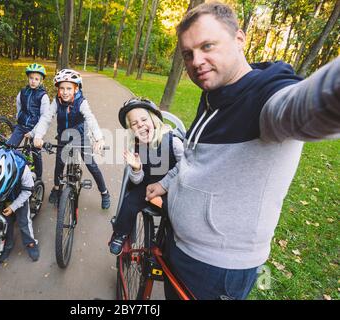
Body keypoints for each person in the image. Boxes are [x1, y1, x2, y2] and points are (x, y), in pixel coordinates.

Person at [145, 2, 340, 300]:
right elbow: (194, 159)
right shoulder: (212, 94)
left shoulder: (268, 99)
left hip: (216, 269)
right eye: (188, 54)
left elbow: (307, 106)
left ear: (239, 39)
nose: (197, 61)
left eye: (207, 45)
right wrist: (167, 182)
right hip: (178, 243)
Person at [109, 98, 183, 255]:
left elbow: (186, 165)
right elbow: (137, 180)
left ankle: (170, 243)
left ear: (154, 120)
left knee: (177, 213)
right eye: (134, 124)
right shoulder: (136, 147)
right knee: (130, 201)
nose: (140, 125)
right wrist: (136, 168)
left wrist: (165, 185)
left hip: (173, 187)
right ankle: (120, 233)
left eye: (143, 119)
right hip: (147, 186)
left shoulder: (173, 141)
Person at [32, 69, 111, 209]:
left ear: (76, 89)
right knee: (59, 164)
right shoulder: (57, 101)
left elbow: (90, 119)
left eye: (69, 88)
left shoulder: (81, 102)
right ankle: (57, 188)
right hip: (63, 135)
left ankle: (104, 192)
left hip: (80, 135)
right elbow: (46, 118)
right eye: (61, 88)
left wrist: (99, 139)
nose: (65, 92)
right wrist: (38, 136)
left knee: (91, 164)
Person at [0, 148, 39, 262]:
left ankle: (30, 243)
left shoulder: (23, 169)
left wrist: (14, 206)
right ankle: (7, 244)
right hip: (1, 195)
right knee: (6, 221)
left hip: (19, 194)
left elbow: (27, 191)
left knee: (24, 221)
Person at [6, 63, 50, 180]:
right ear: (28, 78)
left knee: (36, 152)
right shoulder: (23, 91)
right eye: (31, 78)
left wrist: (34, 133)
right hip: (21, 126)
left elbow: (44, 117)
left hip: (35, 128)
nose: (33, 81)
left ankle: (38, 175)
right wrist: (18, 117)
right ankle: (10, 169)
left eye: (36, 79)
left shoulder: (43, 96)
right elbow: (18, 104)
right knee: (10, 147)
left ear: (41, 81)